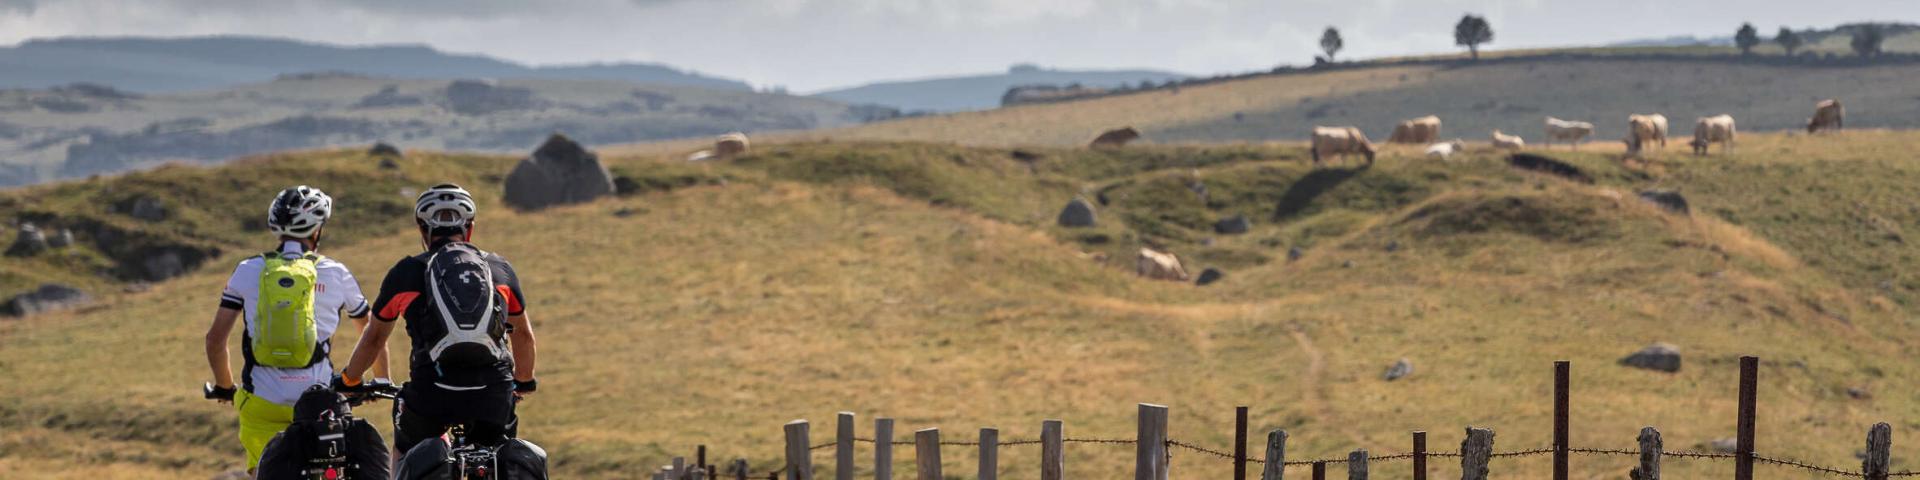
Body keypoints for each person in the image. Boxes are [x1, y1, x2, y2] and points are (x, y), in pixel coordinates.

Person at [335, 183, 540, 457]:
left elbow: (374, 338)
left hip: (431, 392)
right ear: (470, 228)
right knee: (499, 455)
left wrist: (350, 380)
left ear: (422, 229)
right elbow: (523, 335)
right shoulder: (499, 270)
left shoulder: (406, 272)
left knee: (406, 449)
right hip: (493, 392)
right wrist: (523, 381)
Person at [203, 185, 389, 473]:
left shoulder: (248, 269)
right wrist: (379, 380)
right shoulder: (336, 272)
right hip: (320, 400)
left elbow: (216, 340)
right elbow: (372, 334)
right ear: (317, 230)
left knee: (266, 471)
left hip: (263, 400)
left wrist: (225, 388)